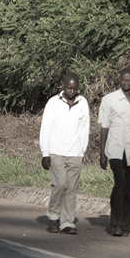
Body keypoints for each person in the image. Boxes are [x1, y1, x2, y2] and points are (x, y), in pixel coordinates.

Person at [98, 68, 130, 237]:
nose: (126, 83)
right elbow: (104, 127)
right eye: (123, 80)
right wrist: (102, 153)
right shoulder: (110, 99)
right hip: (116, 149)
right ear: (119, 80)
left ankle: (126, 224)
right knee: (120, 185)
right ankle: (116, 223)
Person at [39, 73, 90, 235]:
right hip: (56, 151)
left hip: (75, 153)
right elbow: (46, 128)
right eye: (69, 88)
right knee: (59, 185)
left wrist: (82, 150)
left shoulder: (82, 103)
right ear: (63, 85)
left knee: (71, 189)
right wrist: (45, 153)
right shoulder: (53, 103)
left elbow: (84, 128)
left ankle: (67, 222)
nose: (71, 91)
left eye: (74, 88)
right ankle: (53, 216)